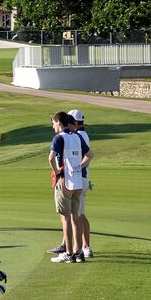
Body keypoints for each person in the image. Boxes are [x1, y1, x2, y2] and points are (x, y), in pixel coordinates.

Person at [49, 109, 93, 257]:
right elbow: (90, 154)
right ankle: (79, 251)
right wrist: (78, 168)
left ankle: (70, 252)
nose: (53, 126)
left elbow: (51, 157)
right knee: (77, 215)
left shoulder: (61, 137)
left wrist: (58, 171)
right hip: (78, 180)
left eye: (54, 123)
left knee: (67, 216)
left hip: (66, 180)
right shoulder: (78, 136)